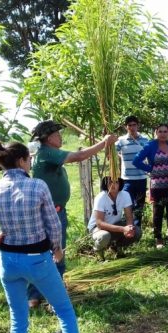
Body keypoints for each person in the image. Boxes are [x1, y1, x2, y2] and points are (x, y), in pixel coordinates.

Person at [0, 141, 79, 333]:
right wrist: (57, 249)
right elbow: (53, 224)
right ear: (21, 161)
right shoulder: (37, 185)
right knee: (64, 310)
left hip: (9, 261)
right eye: (29, 158)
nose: (30, 162)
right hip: (38, 259)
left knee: (18, 318)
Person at [30, 120, 116, 307]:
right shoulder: (46, 153)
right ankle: (46, 295)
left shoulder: (47, 153)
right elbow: (79, 156)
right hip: (51, 214)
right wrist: (104, 143)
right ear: (48, 138)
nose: (61, 137)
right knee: (54, 252)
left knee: (50, 251)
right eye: (57, 135)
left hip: (54, 211)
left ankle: (41, 294)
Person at [132, 123, 168, 248]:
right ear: (156, 133)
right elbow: (136, 160)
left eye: (165, 131)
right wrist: (150, 168)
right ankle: (158, 239)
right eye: (160, 131)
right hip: (157, 186)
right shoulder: (150, 146)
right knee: (158, 212)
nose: (163, 134)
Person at [87, 176, 141, 258]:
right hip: (98, 229)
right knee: (104, 236)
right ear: (106, 184)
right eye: (110, 182)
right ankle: (99, 254)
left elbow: (129, 217)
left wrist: (129, 228)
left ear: (120, 184)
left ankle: (117, 248)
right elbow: (99, 223)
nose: (113, 185)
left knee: (136, 231)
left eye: (116, 182)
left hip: (115, 224)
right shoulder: (100, 197)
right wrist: (123, 229)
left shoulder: (125, 195)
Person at [116, 116, 150, 231]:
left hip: (141, 177)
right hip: (127, 179)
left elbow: (150, 156)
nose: (132, 127)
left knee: (139, 205)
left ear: (138, 125)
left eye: (134, 125)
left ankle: (137, 230)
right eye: (129, 125)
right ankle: (128, 228)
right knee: (127, 204)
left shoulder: (145, 140)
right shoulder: (121, 141)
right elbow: (110, 152)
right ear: (126, 127)